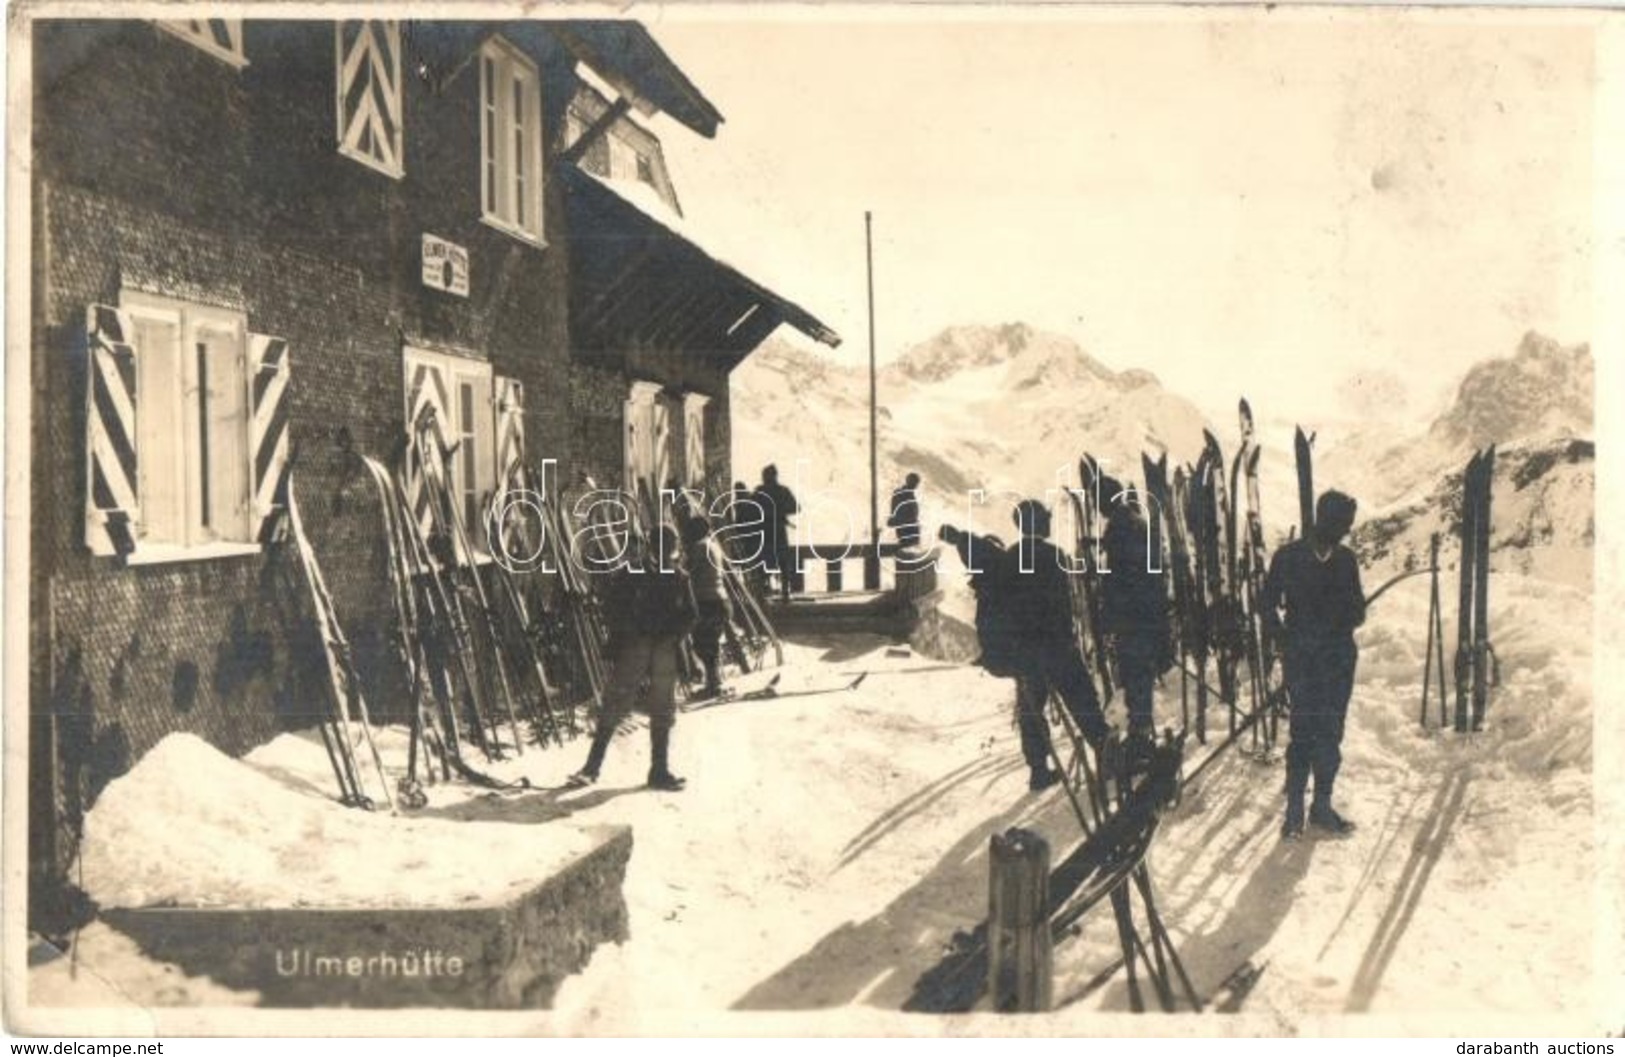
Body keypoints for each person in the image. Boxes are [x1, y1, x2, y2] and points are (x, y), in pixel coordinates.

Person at [1260, 490, 1366, 840]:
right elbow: (1266, 602)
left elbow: (1358, 612)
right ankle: (1294, 811)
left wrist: (1339, 618)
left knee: (1330, 734)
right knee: (1303, 732)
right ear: (1324, 519)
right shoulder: (1288, 557)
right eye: (1341, 524)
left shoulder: (1346, 560)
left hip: (1337, 661)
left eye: (1347, 526)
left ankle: (1321, 806)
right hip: (1303, 660)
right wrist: (1279, 635)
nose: (1345, 531)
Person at [569, 524, 697, 791]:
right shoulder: (670, 575)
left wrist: (640, 633)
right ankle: (640, 771)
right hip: (650, 646)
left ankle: (605, 769)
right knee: (640, 706)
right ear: (672, 549)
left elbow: (611, 608)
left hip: (647, 646)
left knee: (636, 705)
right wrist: (665, 635)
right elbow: (690, 615)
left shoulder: (641, 572)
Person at [1004, 499, 1111, 791]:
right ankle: (1106, 755)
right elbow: (1067, 603)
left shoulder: (1010, 557)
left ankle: (1038, 770)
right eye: (1046, 519)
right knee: (1083, 700)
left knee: (1030, 711)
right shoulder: (1054, 555)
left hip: (1026, 651)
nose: (1050, 523)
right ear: (1038, 523)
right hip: (1057, 646)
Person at [1101, 489, 1171, 738]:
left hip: (1133, 616)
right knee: (1139, 675)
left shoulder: (1121, 529)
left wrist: (1108, 616)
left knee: (1136, 675)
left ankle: (1141, 736)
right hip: (1146, 613)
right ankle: (1140, 732)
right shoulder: (1137, 525)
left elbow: (1118, 580)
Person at [683, 514, 733, 698]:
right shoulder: (713, 545)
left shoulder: (699, 547)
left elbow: (687, 572)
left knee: (704, 644)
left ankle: (714, 685)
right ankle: (714, 683)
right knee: (710, 643)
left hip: (707, 602)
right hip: (719, 600)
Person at [753, 465, 799, 603]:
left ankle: (782, 592)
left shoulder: (763, 491)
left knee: (778, 561)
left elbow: (795, 507)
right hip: (771, 530)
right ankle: (769, 592)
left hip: (772, 530)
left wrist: (777, 511)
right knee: (771, 560)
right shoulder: (769, 491)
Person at [887, 473, 923, 548]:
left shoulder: (908, 494)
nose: (916, 486)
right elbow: (898, 510)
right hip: (906, 527)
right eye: (915, 483)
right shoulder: (902, 494)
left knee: (910, 547)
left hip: (907, 527)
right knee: (908, 547)